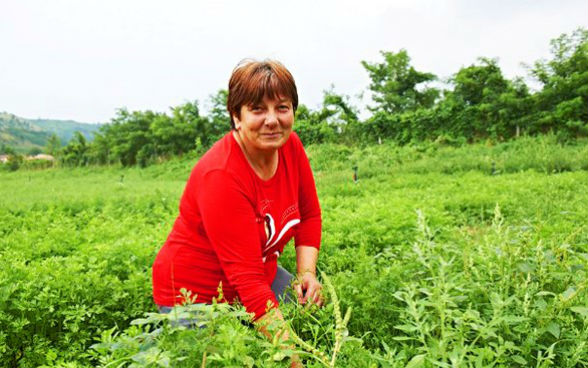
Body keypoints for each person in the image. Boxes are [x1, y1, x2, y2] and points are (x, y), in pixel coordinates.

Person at [151, 59, 323, 363]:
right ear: (236, 116)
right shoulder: (221, 175)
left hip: (257, 271)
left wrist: (307, 273)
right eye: (257, 109)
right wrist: (291, 359)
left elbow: (309, 215)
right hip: (197, 292)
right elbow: (248, 281)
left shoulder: (290, 146)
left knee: (309, 313)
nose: (272, 120)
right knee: (223, 358)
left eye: (282, 107)